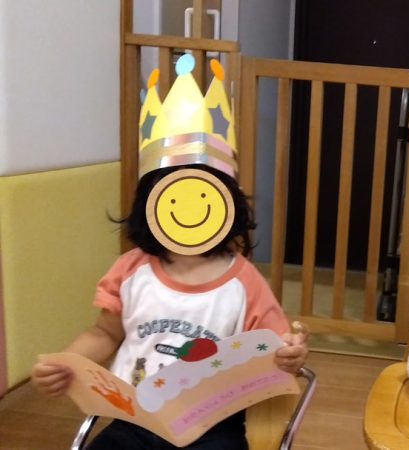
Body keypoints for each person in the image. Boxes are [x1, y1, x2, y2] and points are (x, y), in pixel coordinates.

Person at [30, 54, 307, 449]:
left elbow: (274, 347)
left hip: (215, 424)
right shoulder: (131, 270)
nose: (189, 211)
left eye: (202, 197)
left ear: (227, 204)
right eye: (174, 199)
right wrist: (65, 364)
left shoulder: (244, 282)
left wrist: (290, 355)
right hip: (134, 418)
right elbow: (105, 332)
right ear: (150, 205)